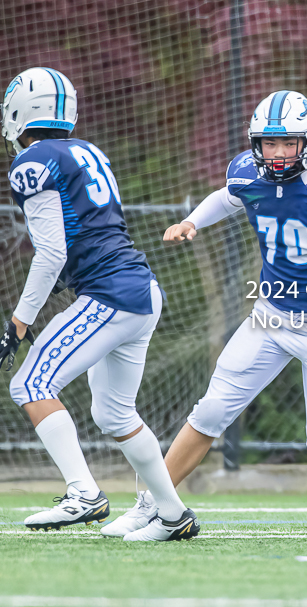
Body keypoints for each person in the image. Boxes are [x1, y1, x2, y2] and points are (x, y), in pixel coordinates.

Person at [104, 90, 307, 539]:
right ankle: (152, 505)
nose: (277, 154)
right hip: (271, 317)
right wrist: (192, 222)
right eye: (269, 143)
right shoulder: (248, 174)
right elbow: (226, 198)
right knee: (210, 411)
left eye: (288, 144)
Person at [0, 67, 197, 541]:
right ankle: (173, 515)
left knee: (29, 383)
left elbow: (51, 254)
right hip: (140, 290)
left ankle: (83, 494)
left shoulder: (33, 162)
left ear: (19, 113)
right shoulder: (87, 151)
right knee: (114, 414)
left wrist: (18, 324)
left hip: (109, 294)